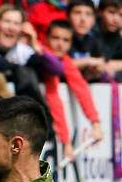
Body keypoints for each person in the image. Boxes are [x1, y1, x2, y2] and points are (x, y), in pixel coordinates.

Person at [42, 19, 103, 162]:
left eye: (65, 40)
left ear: (70, 44)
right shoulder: (44, 55)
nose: (59, 44)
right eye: (55, 38)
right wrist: (66, 143)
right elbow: (54, 100)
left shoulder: (65, 60)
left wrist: (95, 123)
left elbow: (82, 90)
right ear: (46, 38)